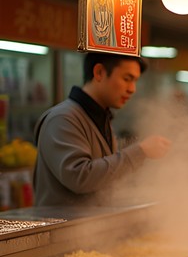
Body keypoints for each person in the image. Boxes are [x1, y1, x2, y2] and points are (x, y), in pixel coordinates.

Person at [33, 52, 171, 207]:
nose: (132, 89)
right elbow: (80, 177)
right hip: (65, 230)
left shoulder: (101, 117)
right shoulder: (62, 118)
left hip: (93, 228)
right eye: (127, 79)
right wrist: (140, 151)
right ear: (99, 72)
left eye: (135, 81)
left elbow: (105, 178)